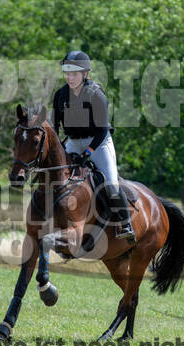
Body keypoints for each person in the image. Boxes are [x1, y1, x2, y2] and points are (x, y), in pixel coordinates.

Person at [51, 50, 136, 243]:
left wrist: (88, 152)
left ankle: (125, 224)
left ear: (85, 74)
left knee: (111, 183)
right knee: (58, 177)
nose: (69, 76)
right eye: (67, 72)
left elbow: (102, 131)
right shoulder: (60, 95)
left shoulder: (96, 94)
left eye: (73, 73)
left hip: (98, 141)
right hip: (73, 141)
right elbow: (55, 126)